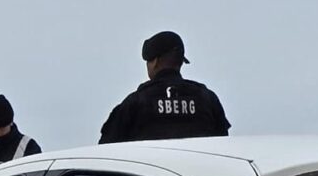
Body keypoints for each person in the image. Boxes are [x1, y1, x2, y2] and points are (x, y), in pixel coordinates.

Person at [99, 31, 231, 144]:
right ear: (180, 62)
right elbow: (223, 145)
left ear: (154, 61)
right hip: (201, 173)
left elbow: (106, 151)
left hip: (148, 173)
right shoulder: (207, 99)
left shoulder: (135, 102)